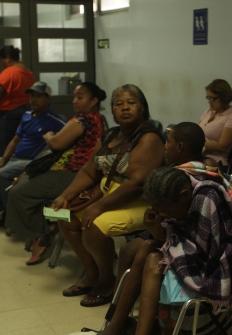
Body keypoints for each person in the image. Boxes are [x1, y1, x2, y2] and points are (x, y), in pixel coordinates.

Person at [64, 166, 232, 335]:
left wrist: (170, 244)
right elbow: (174, 235)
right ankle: (112, 334)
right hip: (199, 250)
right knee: (148, 247)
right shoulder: (178, 190)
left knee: (153, 259)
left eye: (167, 211)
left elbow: (213, 250)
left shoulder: (207, 199)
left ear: (184, 195)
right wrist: (155, 228)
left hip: (225, 259)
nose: (165, 215)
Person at [78, 122, 218, 307]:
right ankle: (117, 302)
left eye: (168, 142)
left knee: (139, 252)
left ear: (180, 147)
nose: (165, 146)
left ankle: (119, 308)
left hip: (188, 235)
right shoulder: (176, 168)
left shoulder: (192, 174)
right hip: (169, 226)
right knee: (127, 250)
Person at [51, 84, 163, 303]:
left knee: (94, 225)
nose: (125, 108)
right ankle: (91, 273)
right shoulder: (111, 134)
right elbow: (89, 171)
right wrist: (66, 194)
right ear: (112, 110)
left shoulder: (148, 137)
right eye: (119, 104)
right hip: (108, 196)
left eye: (131, 103)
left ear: (142, 107)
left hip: (140, 202)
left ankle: (106, 279)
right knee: (67, 218)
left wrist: (99, 206)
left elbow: (137, 183)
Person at [4, 82, 107, 264]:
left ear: (93, 101)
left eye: (80, 97)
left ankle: (41, 238)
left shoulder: (81, 121)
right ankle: (45, 229)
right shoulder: (100, 120)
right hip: (81, 173)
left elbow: (56, 144)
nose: (74, 101)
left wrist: (49, 135)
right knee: (26, 184)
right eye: (74, 96)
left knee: (18, 193)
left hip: (73, 174)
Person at [0, 81, 66, 226]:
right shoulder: (27, 115)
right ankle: (3, 210)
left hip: (32, 162)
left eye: (38, 96)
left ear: (48, 98)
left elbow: (65, 143)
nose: (33, 99)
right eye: (32, 96)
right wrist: (3, 161)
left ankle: (15, 218)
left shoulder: (56, 120)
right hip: (15, 159)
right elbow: (15, 141)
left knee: (0, 176)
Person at [0, 45, 35, 154]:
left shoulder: (10, 72)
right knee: (21, 148)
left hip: (9, 115)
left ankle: (6, 170)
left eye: (2, 61)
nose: (2, 65)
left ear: (7, 58)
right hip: (26, 112)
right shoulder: (28, 73)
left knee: (7, 150)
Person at [197, 79, 232, 168]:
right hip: (200, 157)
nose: (209, 101)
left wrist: (196, 143)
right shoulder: (209, 112)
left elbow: (222, 146)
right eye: (208, 97)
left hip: (216, 161)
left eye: (212, 98)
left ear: (224, 98)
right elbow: (196, 131)